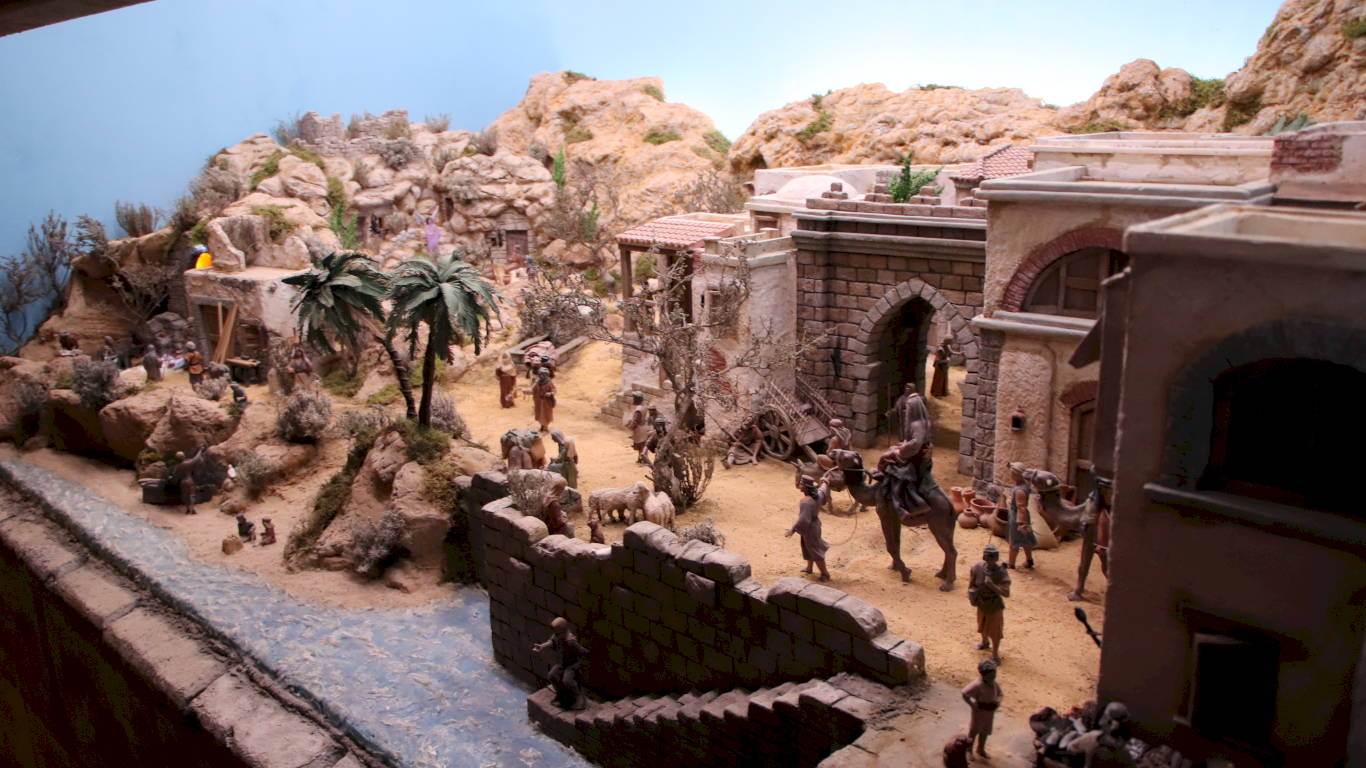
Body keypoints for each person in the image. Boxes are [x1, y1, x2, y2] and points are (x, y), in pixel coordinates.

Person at [532, 617, 588, 710]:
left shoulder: (571, 642)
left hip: (572, 665)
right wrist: (542, 646)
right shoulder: (558, 636)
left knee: (567, 680)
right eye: (555, 634)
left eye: (557, 634)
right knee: (552, 675)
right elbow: (552, 641)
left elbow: (583, 652)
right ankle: (561, 694)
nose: (556, 636)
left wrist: (579, 664)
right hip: (562, 663)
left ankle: (578, 698)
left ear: (563, 631)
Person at [968, 543, 1010, 662]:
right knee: (982, 624)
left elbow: (1006, 593)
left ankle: (995, 655)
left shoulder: (1001, 572)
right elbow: (971, 584)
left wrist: (992, 586)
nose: (988, 560)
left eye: (991, 557)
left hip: (994, 605)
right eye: (986, 557)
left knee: (995, 631)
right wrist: (972, 595)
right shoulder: (977, 567)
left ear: (996, 558)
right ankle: (984, 642)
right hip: (981, 603)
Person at [786, 477, 831, 581]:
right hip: (815, 525)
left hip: (810, 528)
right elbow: (823, 489)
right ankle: (809, 568)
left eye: (801, 484)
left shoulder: (805, 502)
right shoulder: (818, 494)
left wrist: (792, 529)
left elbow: (803, 519)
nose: (799, 485)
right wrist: (825, 481)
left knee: (815, 551)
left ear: (805, 487)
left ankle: (825, 574)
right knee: (806, 547)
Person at [961, 659, 1003, 758]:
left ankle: (980, 749)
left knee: (985, 731)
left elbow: (1000, 694)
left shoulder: (994, 684)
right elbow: (964, 693)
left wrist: (997, 702)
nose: (993, 677)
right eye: (991, 676)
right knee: (974, 731)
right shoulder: (978, 685)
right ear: (984, 675)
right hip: (979, 712)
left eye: (994, 675)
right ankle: (969, 750)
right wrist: (972, 705)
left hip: (989, 712)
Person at [1005, 462, 1038, 569]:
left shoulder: (1019, 490)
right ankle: (1029, 560)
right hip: (1020, 516)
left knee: (1014, 541)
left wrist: (1021, 523)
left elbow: (1021, 508)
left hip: (1017, 518)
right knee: (1026, 540)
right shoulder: (1022, 486)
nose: (1010, 474)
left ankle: (1011, 563)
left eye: (1012, 473)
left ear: (1016, 475)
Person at [625, 392, 651, 460]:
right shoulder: (645, 406)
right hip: (644, 427)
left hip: (639, 429)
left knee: (641, 445)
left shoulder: (639, 410)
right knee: (643, 444)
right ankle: (641, 458)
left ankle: (643, 459)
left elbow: (635, 421)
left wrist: (631, 427)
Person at [531, 367, 556, 432]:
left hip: (546, 402)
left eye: (543, 374)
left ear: (546, 375)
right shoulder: (537, 382)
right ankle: (542, 426)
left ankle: (546, 426)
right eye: (541, 374)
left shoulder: (549, 382)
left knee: (546, 414)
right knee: (539, 414)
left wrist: (550, 393)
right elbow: (533, 390)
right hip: (539, 401)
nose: (542, 376)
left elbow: (554, 390)